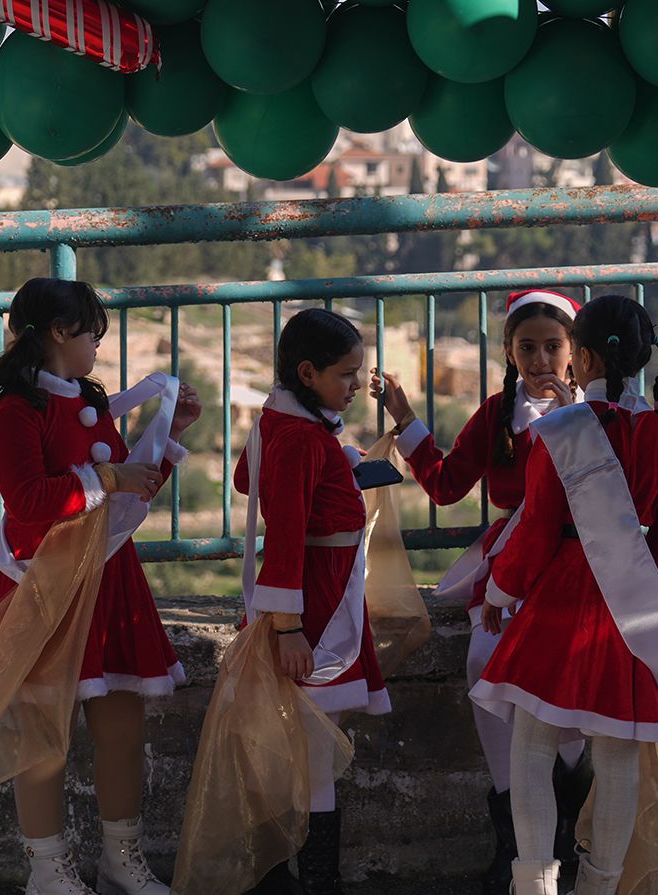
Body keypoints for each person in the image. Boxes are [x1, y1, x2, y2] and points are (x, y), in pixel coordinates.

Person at [0, 277, 200, 895]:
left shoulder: (87, 397)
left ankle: (122, 860)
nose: (96, 348)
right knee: (44, 737)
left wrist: (172, 435)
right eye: (91, 334)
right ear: (59, 333)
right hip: (44, 588)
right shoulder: (12, 414)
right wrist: (108, 475)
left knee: (121, 727)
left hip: (109, 579)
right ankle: (48, 871)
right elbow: (30, 504)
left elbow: (125, 492)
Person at [469, 294, 658, 895]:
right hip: (629, 605)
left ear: (584, 357)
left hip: (560, 601)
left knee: (531, 745)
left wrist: (499, 589)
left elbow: (538, 528)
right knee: (619, 756)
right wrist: (637, 579)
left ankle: (536, 884)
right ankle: (599, 887)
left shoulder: (559, 430)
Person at [369, 289, 597, 892]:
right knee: (485, 666)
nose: (541, 359)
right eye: (528, 348)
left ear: (576, 352)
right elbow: (445, 484)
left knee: (565, 680)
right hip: (509, 563)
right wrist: (403, 416)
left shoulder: (597, 414)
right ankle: (516, 838)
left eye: (554, 346)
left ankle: (570, 823)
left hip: (574, 561)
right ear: (508, 351)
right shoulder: (499, 414)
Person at [235, 307, 390, 894]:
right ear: (308, 372)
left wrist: (335, 464)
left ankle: (294, 870)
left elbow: (247, 479)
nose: (356, 386)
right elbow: (289, 531)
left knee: (311, 740)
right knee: (316, 742)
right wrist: (288, 627)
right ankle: (313, 874)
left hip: (319, 592)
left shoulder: (286, 423)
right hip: (315, 605)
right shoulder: (302, 437)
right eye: (347, 375)